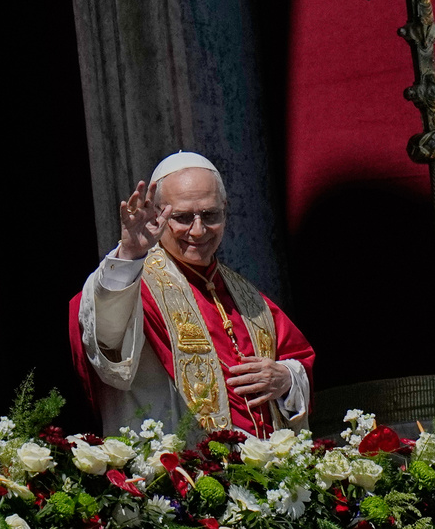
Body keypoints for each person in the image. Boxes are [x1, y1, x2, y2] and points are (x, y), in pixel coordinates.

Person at [70, 151, 315, 438]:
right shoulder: (131, 282)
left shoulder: (248, 297)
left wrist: (285, 378)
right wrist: (130, 254)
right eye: (183, 217)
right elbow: (106, 341)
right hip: (178, 467)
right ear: (158, 215)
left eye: (210, 215)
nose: (198, 231)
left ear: (226, 209)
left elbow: (299, 360)